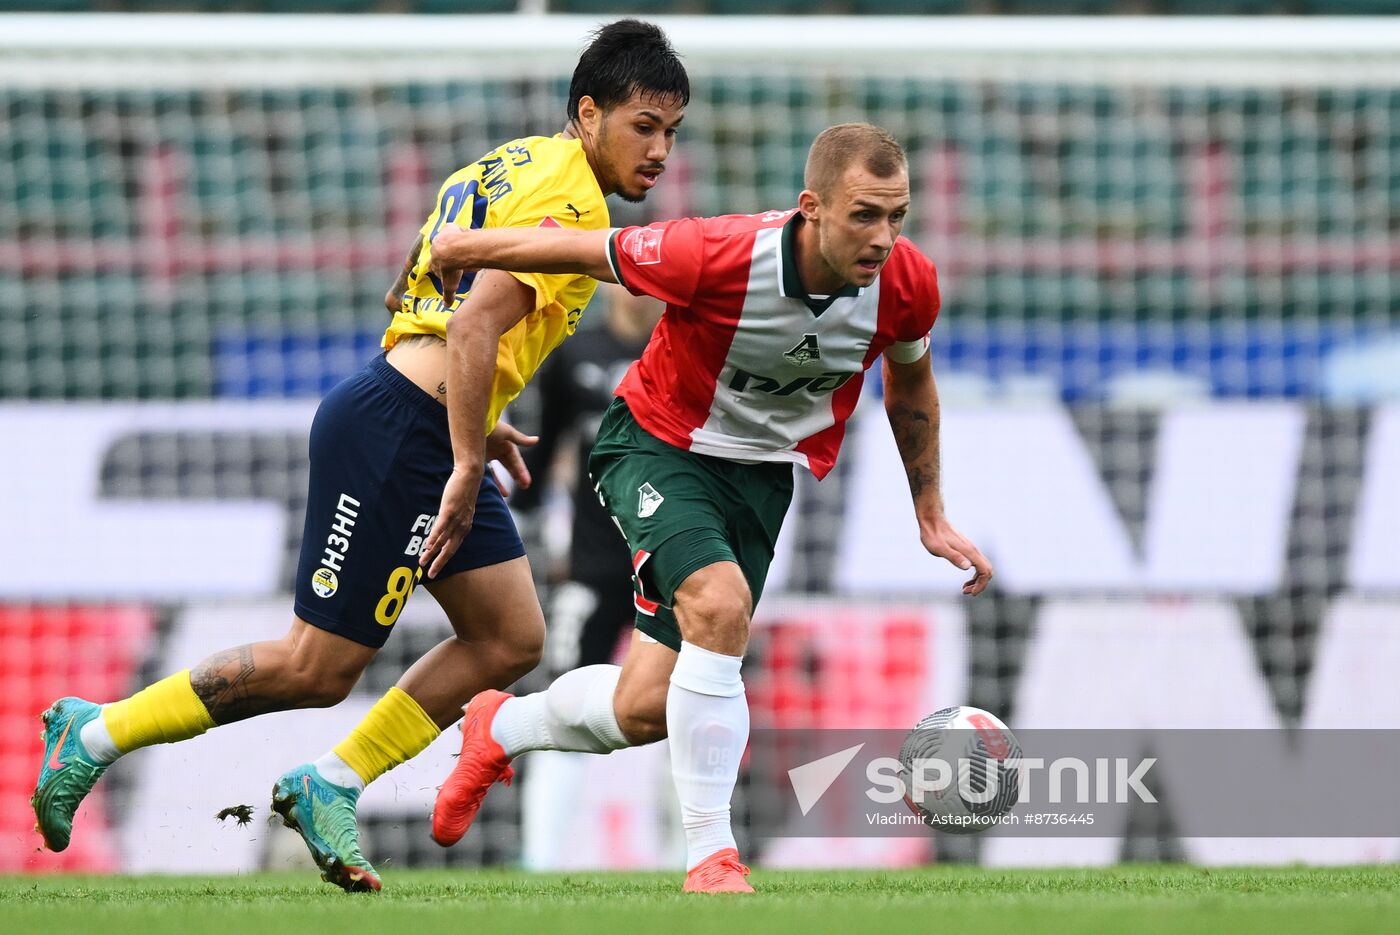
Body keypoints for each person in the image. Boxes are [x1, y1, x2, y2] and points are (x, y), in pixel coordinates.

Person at [31, 19, 688, 893]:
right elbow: (473, 323)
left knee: (509, 637)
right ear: (589, 112)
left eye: (671, 131)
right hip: (403, 428)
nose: (660, 151)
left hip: (422, 412)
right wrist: (466, 456)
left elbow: (407, 288)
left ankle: (329, 781)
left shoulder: (509, 163)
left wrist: (478, 410)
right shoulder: (573, 202)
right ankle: (94, 732)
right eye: (644, 126)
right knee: (317, 666)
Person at [424, 123, 993, 894]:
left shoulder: (908, 283)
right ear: (811, 207)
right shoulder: (719, 254)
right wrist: (464, 246)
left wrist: (930, 510)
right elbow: (587, 250)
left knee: (645, 706)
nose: (883, 237)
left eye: (897, 216)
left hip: (760, 477)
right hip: (656, 445)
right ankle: (712, 857)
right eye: (864, 214)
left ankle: (501, 726)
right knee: (720, 607)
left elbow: (911, 382)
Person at [510, 284, 665, 868]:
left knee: (686, 708)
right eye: (628, 278)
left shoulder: (686, 346)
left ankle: (693, 857)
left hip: (673, 566)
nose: (639, 291)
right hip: (592, 566)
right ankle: (541, 861)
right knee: (561, 704)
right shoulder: (575, 354)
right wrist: (521, 512)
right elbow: (543, 451)